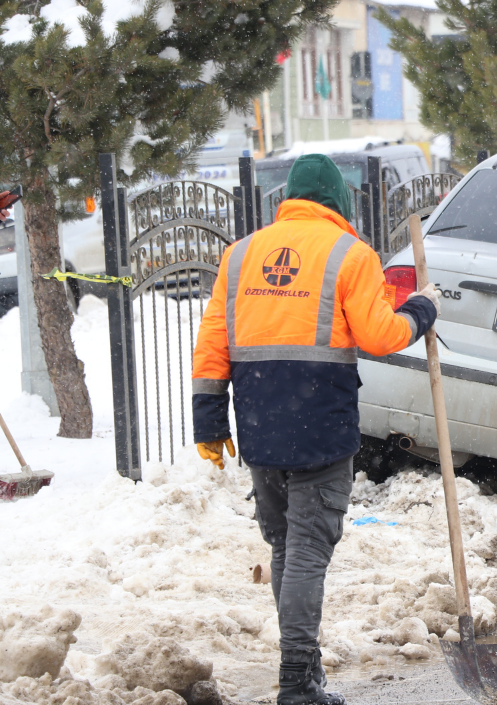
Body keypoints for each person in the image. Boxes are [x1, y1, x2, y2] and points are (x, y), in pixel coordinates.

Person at [191, 154, 439, 705]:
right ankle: (298, 681)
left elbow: (213, 342)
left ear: (287, 199)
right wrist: (422, 310)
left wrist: (208, 419)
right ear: (340, 202)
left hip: (258, 419)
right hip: (319, 421)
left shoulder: (239, 256)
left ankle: (303, 671)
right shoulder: (351, 254)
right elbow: (379, 335)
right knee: (307, 551)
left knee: (284, 546)